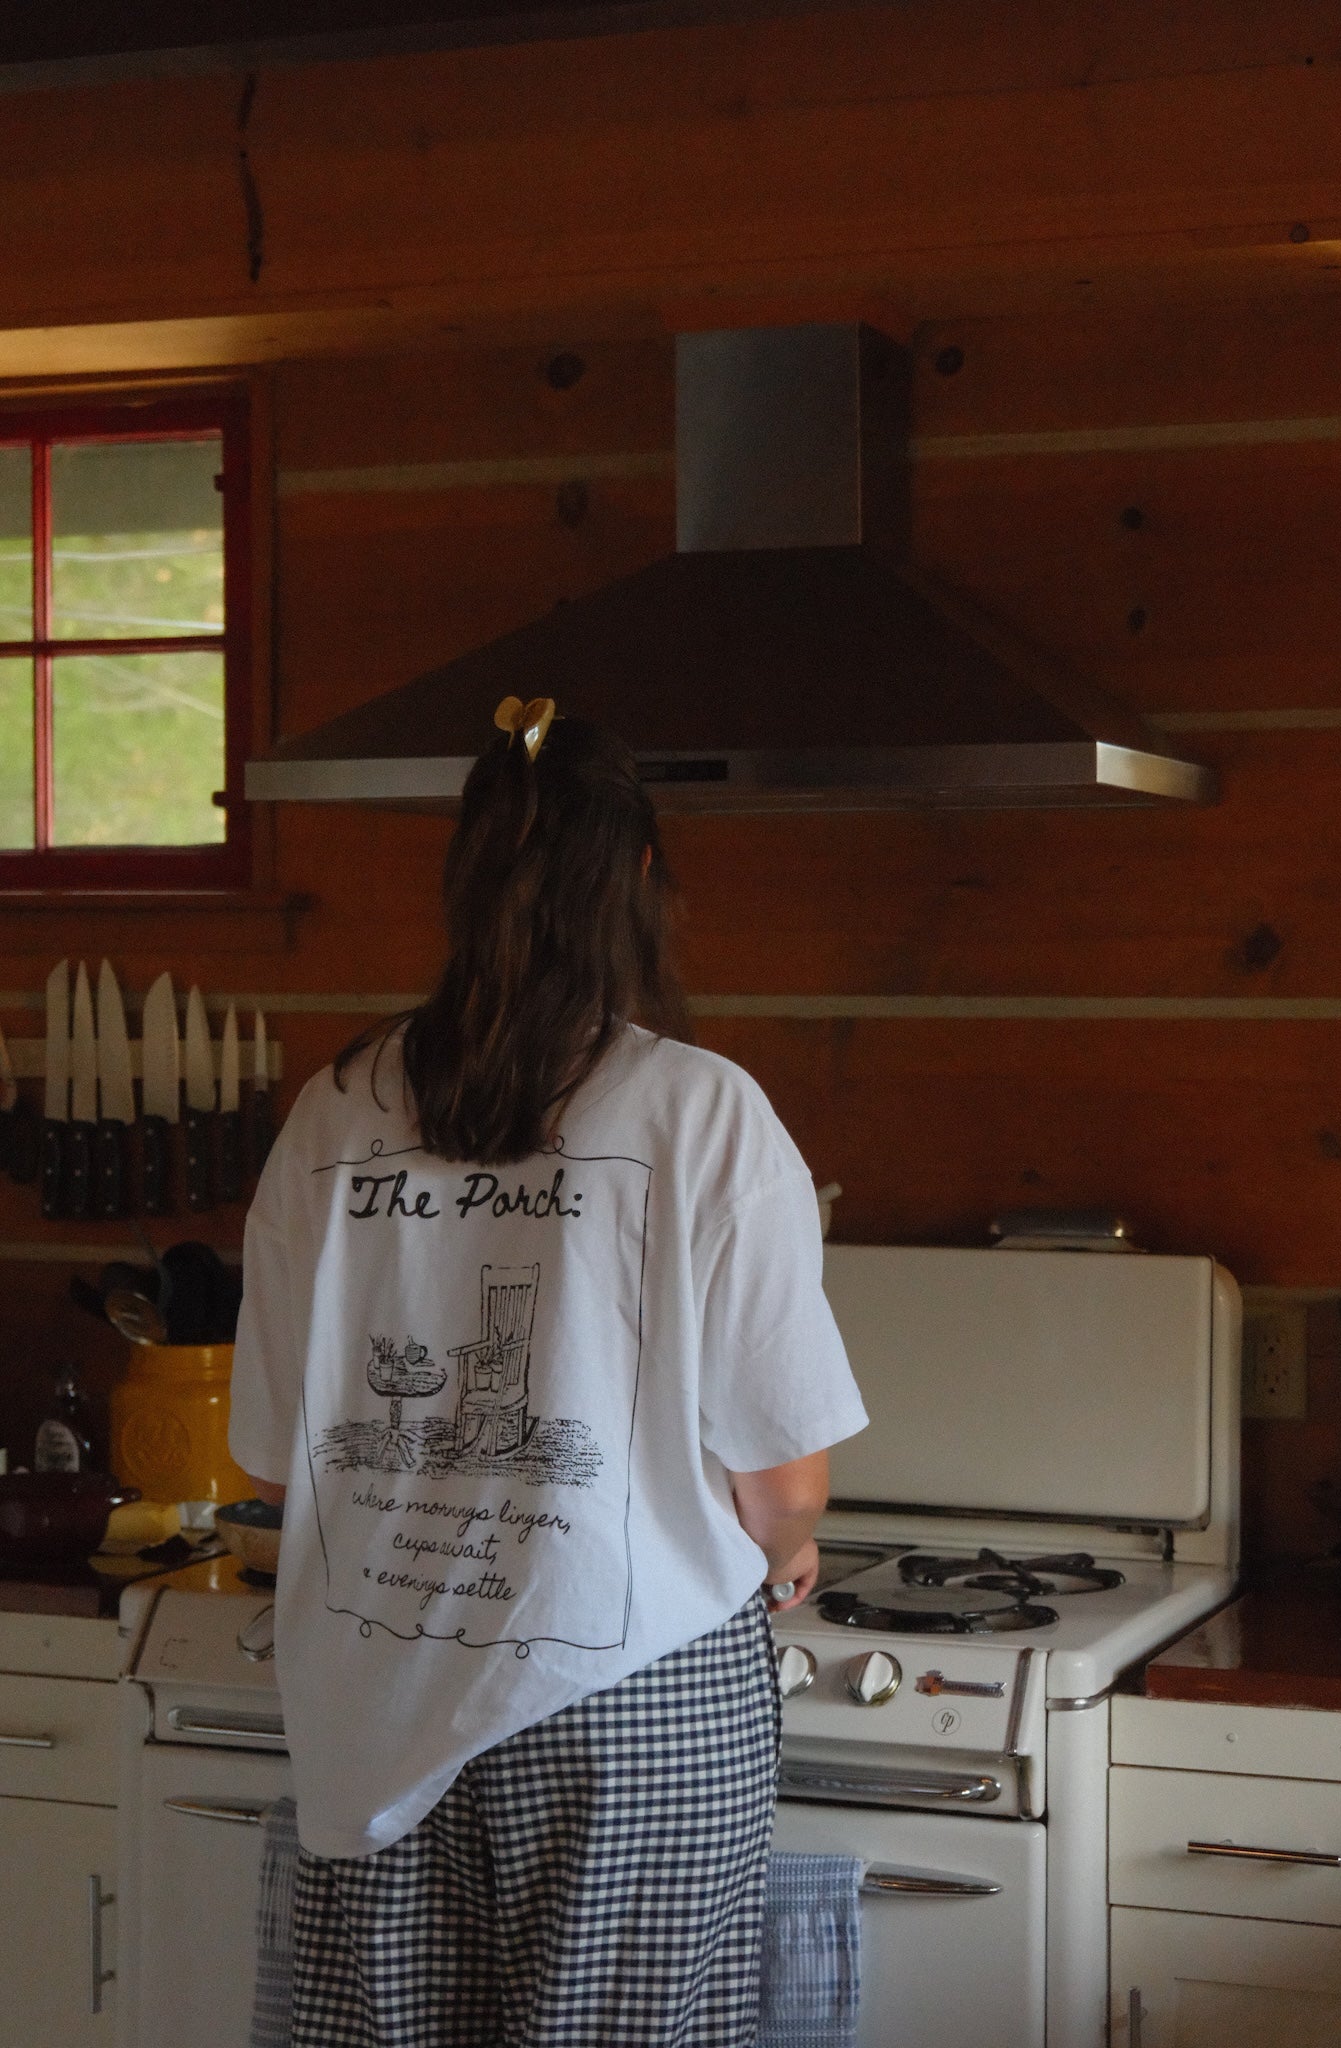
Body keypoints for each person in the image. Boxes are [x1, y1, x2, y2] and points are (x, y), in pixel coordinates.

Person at [228, 696, 867, 2048]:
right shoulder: (701, 1111)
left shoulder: (333, 1111)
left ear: (466, 875)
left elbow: (279, 1456)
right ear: (637, 879)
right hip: (625, 1698)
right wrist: (792, 1542)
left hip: (375, 1691)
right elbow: (780, 1473)